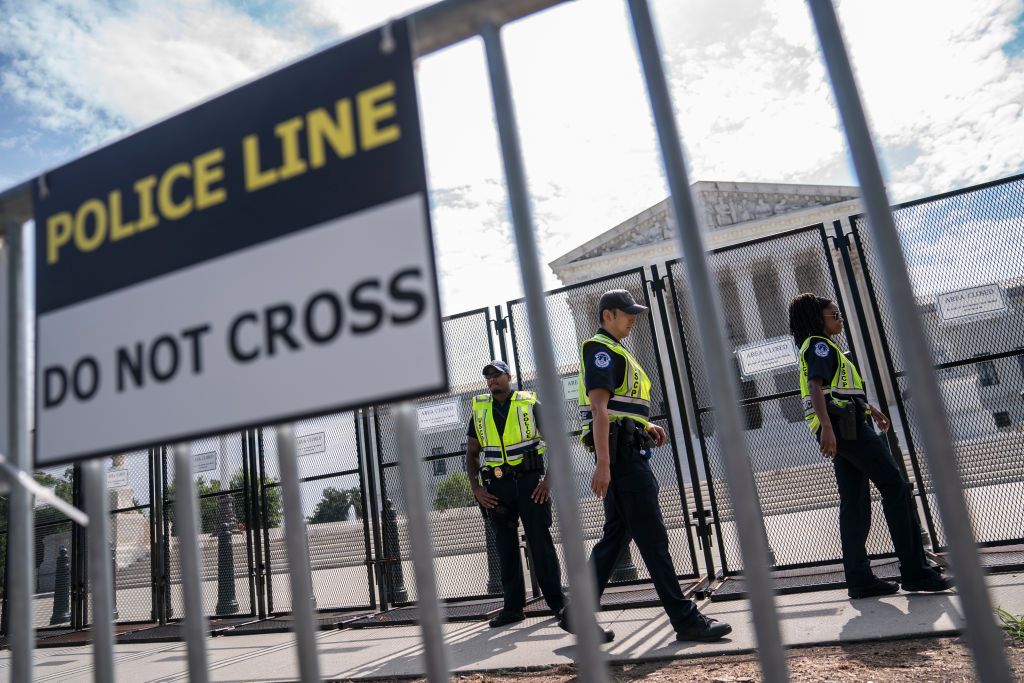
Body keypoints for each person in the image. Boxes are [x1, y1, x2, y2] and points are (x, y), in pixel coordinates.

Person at [578, 289, 732, 642]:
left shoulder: (617, 351)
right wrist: (603, 464)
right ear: (607, 315)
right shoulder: (600, 349)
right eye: (627, 313)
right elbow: (599, 410)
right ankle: (686, 619)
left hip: (628, 451)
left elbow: (619, 408)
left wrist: (645, 424)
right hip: (623, 460)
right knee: (653, 538)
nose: (633, 318)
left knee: (616, 537)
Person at [789, 293, 952, 599]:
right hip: (845, 430)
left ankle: (859, 578)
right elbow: (816, 387)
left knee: (855, 503)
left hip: (844, 425)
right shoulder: (820, 344)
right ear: (817, 319)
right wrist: (827, 428)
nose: (840, 319)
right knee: (897, 488)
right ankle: (915, 571)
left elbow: (840, 391)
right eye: (834, 315)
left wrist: (869, 409)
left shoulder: (818, 347)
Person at [466, 360, 613, 641]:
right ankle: (512, 607)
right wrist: (476, 488)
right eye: (488, 376)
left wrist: (548, 482)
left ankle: (557, 604)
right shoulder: (479, 409)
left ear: (509, 377)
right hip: (497, 486)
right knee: (505, 548)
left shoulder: (529, 403)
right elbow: (472, 453)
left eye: (497, 375)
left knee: (540, 543)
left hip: (530, 482)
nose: (492, 379)